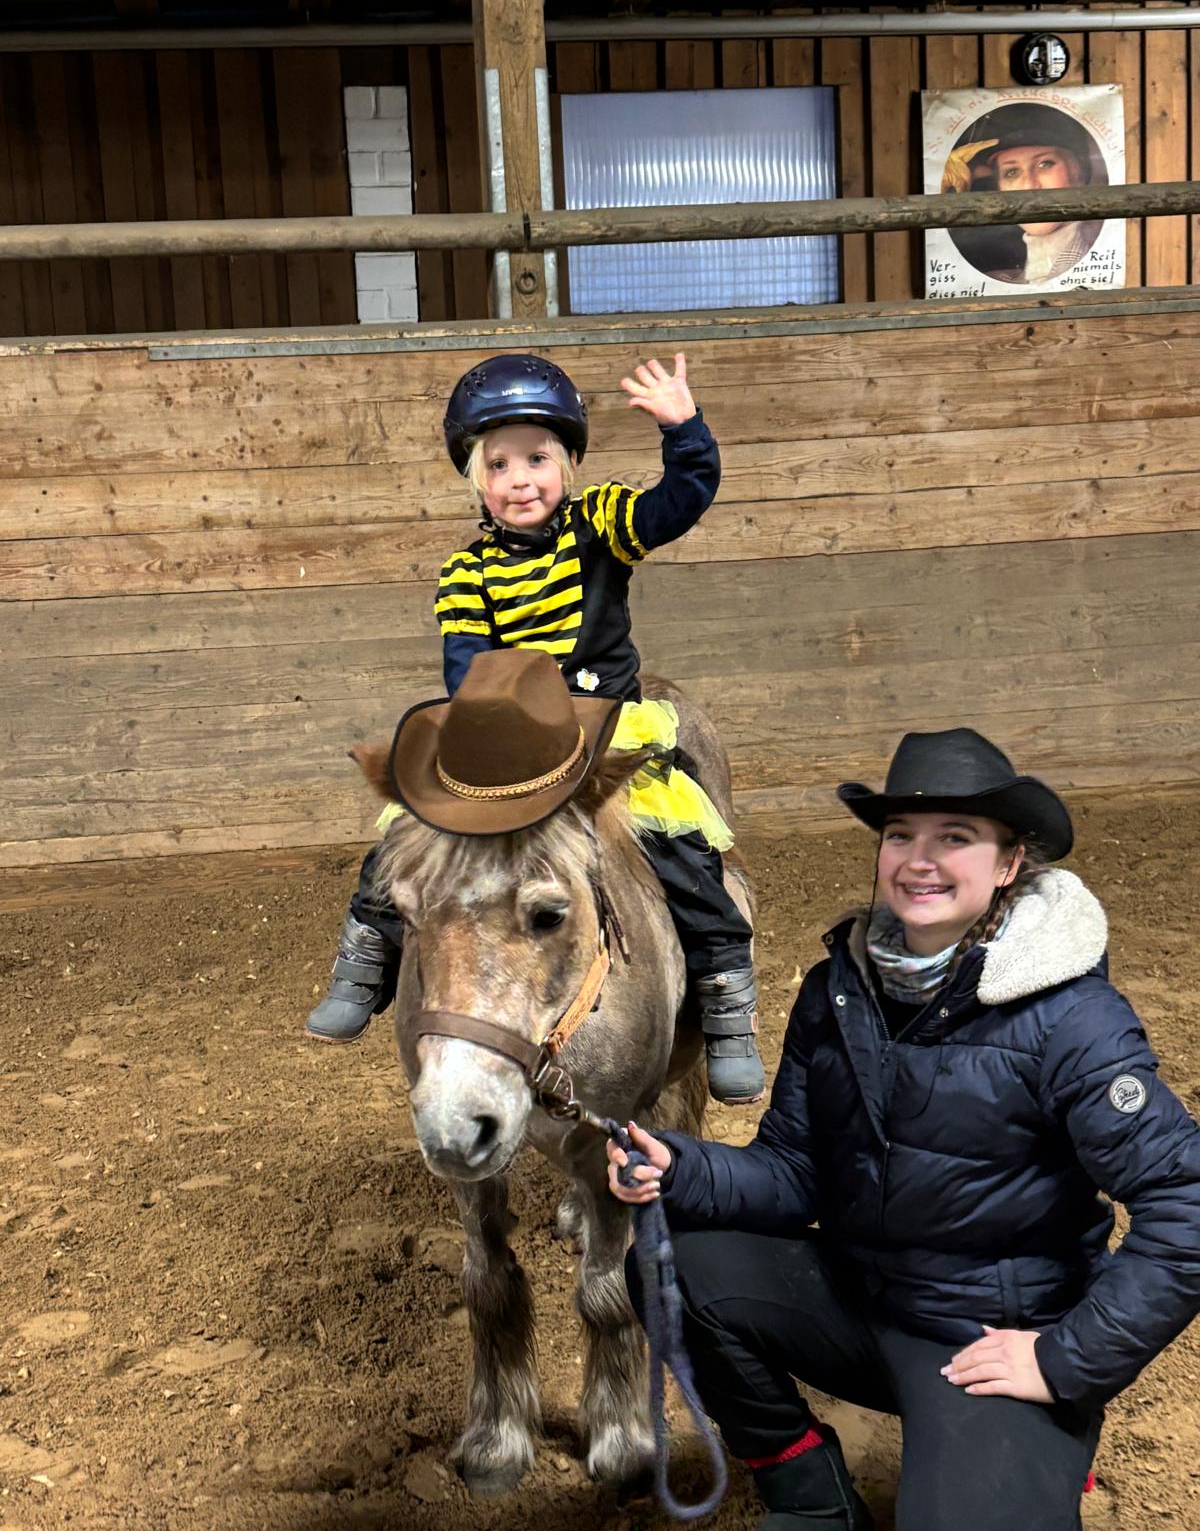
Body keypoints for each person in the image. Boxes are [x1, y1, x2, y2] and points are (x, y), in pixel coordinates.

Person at [608, 728, 1200, 1530]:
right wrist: (679, 1167)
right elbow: (793, 1172)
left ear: (1008, 863)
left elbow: (1187, 1203)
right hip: (864, 1299)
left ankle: (1026, 1450)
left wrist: (1064, 1360)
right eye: (899, 836)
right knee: (671, 1262)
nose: (919, 860)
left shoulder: (1073, 1019)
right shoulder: (837, 989)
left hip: (986, 1340)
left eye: (954, 837)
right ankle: (809, 1494)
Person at [305, 351, 766, 1105]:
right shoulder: (466, 572)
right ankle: (363, 962)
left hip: (605, 731)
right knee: (404, 839)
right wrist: (489, 737)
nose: (520, 480)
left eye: (537, 459)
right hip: (507, 740)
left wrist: (684, 431)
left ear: (569, 464)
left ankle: (725, 1007)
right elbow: (466, 670)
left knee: (682, 853)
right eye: (499, 465)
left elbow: (679, 501)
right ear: (477, 480)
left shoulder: (601, 525)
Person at [945, 102, 1105, 286]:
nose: (1029, 185)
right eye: (1011, 172)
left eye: (1044, 164)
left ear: (1080, 172)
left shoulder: (1100, 269)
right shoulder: (998, 280)